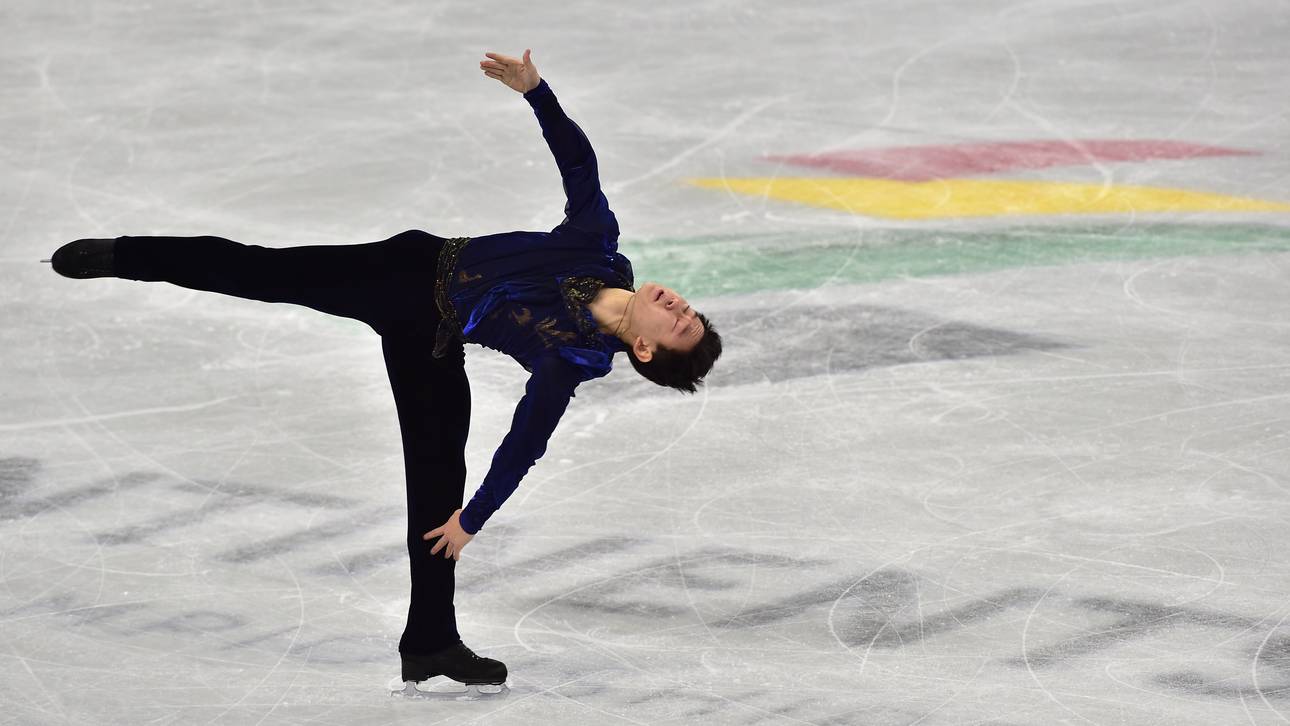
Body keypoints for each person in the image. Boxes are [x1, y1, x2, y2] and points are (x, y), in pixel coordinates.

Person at [45, 48, 723, 696]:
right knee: (258, 269)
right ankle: (125, 254)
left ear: (644, 352)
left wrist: (472, 522)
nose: (678, 304)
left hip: (431, 339)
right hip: (405, 271)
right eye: (689, 308)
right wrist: (536, 94)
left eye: (679, 324)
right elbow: (581, 167)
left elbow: (525, 444)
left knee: (439, 487)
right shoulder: (598, 248)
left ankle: (430, 642)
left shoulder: (570, 358)